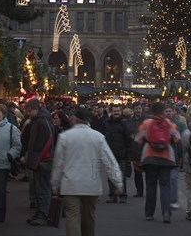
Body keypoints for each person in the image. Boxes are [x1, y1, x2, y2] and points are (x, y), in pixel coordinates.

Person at [51, 107, 124, 236]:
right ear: (88, 121)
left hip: (70, 183)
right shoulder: (98, 137)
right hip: (91, 183)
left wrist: (55, 184)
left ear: (75, 119)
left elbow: (58, 163)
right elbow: (109, 161)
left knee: (72, 216)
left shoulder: (65, 137)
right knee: (89, 217)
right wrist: (118, 182)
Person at [134, 101, 180, 223]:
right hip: (166, 157)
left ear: (152, 110)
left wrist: (136, 159)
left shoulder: (146, 123)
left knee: (151, 186)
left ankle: (149, 213)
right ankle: (166, 212)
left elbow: (138, 139)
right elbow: (177, 138)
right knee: (165, 186)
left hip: (149, 157)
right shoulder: (169, 123)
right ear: (163, 110)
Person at [20, 98, 56, 226]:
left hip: (41, 160)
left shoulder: (42, 121)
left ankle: (43, 214)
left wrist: (34, 158)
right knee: (40, 188)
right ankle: (40, 212)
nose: (28, 114)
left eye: (29, 111)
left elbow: (43, 143)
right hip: (41, 159)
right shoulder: (41, 120)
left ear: (34, 109)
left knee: (42, 188)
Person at [104, 104, 133, 203]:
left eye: (118, 111)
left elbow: (129, 140)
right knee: (110, 175)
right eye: (114, 111)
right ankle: (112, 194)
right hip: (110, 153)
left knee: (122, 175)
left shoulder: (125, 123)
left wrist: (129, 154)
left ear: (121, 112)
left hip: (122, 153)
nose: (116, 113)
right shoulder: (107, 122)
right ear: (111, 112)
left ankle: (122, 194)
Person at [164, 104, 184, 210]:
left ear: (174, 112)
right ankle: (167, 199)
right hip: (163, 155)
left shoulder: (180, 124)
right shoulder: (160, 124)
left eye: (170, 111)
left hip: (176, 155)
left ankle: (173, 200)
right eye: (166, 111)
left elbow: (183, 141)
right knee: (165, 180)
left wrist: (182, 156)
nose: (168, 113)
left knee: (173, 179)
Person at [129, 102, 146, 197]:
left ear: (142, 109)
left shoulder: (146, 119)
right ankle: (139, 190)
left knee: (148, 171)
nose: (138, 110)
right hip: (135, 148)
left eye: (139, 108)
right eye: (136, 108)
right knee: (137, 172)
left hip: (145, 148)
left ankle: (149, 189)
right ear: (133, 110)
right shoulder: (130, 120)